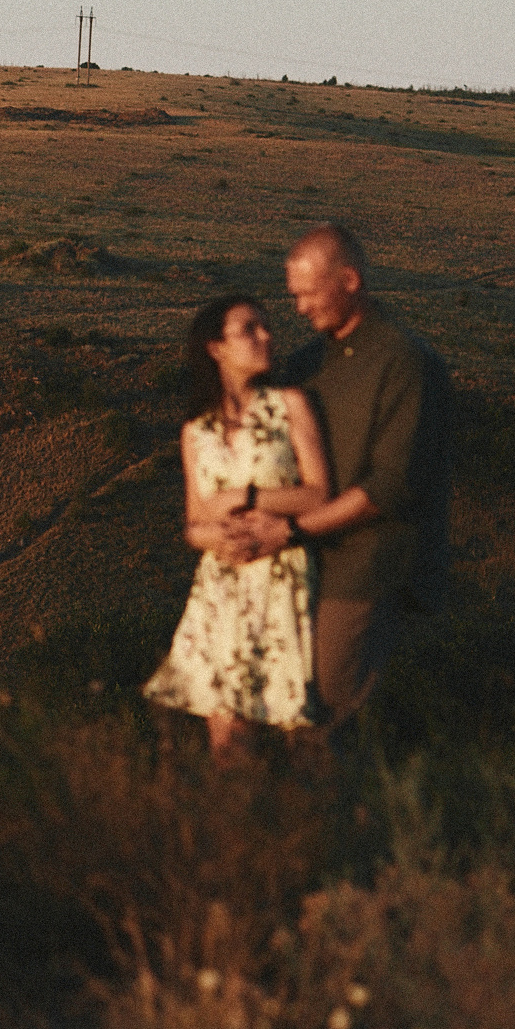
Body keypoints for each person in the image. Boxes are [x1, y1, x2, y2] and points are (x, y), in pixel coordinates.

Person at [227, 223, 451, 729]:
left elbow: (388, 488)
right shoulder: (308, 363)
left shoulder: (405, 364)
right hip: (302, 564)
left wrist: (290, 530)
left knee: (321, 721)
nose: (300, 309)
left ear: (350, 281)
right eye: (294, 296)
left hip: (365, 569)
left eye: (308, 294)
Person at [145, 293, 332, 762]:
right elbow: (192, 522)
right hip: (222, 590)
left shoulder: (290, 405)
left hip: (283, 581)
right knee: (228, 745)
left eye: (266, 327)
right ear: (216, 348)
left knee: (298, 735)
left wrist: (245, 499)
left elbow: (319, 493)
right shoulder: (197, 430)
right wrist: (215, 536)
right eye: (250, 329)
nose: (266, 336)